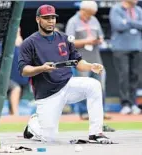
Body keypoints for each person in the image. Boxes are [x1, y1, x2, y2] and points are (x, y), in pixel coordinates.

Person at [18, 4, 112, 143]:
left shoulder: (64, 38)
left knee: (94, 85)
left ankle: (96, 132)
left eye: (53, 18)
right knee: (48, 138)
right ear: (38, 19)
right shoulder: (29, 43)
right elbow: (24, 71)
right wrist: (41, 68)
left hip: (68, 84)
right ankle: (34, 124)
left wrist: (90, 66)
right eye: (46, 18)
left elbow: (77, 62)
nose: (51, 21)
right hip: (47, 93)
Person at [65, 1, 111, 121]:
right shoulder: (73, 22)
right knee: (83, 86)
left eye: (92, 14)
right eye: (89, 13)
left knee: (100, 86)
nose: (90, 16)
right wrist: (86, 41)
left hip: (96, 58)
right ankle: (84, 112)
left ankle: (101, 111)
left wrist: (98, 40)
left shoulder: (94, 20)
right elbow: (69, 43)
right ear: (83, 10)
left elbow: (100, 35)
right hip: (81, 60)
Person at [109, 0, 142, 114]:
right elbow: (118, 26)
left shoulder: (138, 10)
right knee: (124, 76)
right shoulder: (116, 9)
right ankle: (125, 104)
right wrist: (136, 23)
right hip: (120, 48)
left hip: (137, 47)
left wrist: (128, 22)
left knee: (135, 76)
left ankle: (133, 103)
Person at [8, 27, 29, 115]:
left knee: (19, 91)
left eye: (19, 30)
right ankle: (15, 115)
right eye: (16, 30)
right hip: (8, 77)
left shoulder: (23, 43)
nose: (18, 31)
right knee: (16, 88)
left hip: (21, 76)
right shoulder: (7, 42)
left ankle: (12, 114)